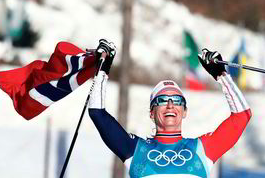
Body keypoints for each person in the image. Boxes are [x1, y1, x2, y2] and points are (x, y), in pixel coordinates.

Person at [89, 39, 252, 178]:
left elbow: (242, 115)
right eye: (162, 100)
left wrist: (221, 75)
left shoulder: (202, 149)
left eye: (177, 100)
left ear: (185, 111)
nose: (170, 105)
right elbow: (97, 114)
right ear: (152, 113)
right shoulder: (136, 150)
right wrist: (103, 69)